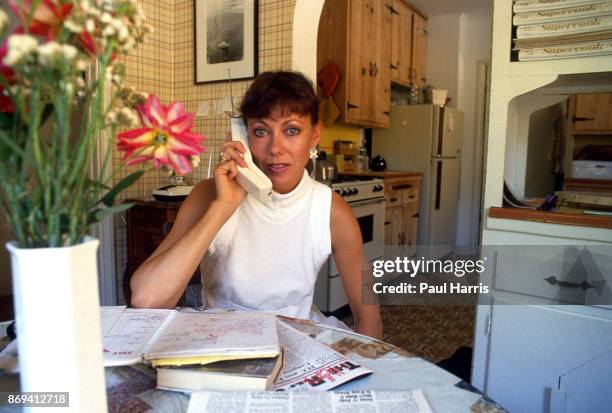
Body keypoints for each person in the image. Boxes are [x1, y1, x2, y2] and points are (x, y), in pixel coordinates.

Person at [130, 71, 382, 338]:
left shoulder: (332, 210)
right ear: (242, 136)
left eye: (292, 130)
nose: (275, 148)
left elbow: (369, 315)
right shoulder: (208, 196)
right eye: (261, 131)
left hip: (298, 341)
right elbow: (147, 299)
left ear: (315, 134)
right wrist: (224, 205)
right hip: (222, 341)